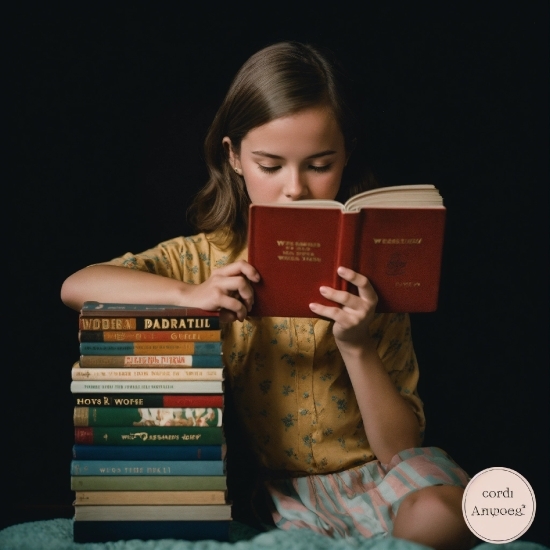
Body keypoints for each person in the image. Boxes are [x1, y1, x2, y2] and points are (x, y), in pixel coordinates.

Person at [61, 41, 474, 548]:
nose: (295, 188)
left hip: (392, 476)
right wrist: (191, 295)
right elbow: (77, 286)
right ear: (233, 157)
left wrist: (358, 344)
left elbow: (400, 448)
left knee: (438, 515)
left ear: (346, 153)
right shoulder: (205, 259)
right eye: (270, 165)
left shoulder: (369, 268)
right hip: (291, 494)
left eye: (319, 164)